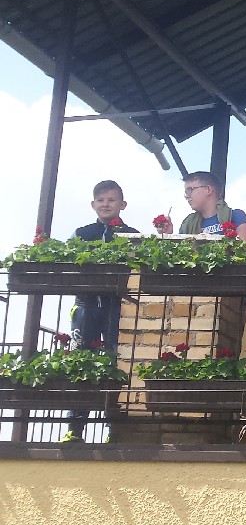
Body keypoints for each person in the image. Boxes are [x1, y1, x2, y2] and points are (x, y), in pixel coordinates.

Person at [64, 180, 139, 442]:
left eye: (111, 200)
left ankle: (112, 428)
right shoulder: (82, 233)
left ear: (122, 204)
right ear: (93, 204)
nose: (105, 204)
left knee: (115, 363)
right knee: (80, 362)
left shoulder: (131, 234)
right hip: (86, 306)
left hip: (116, 307)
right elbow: (67, 261)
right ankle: (75, 428)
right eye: (101, 200)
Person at [155, 171, 246, 240]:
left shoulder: (236, 216)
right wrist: (167, 235)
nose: (187, 196)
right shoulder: (188, 223)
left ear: (208, 190)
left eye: (190, 190)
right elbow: (180, 256)